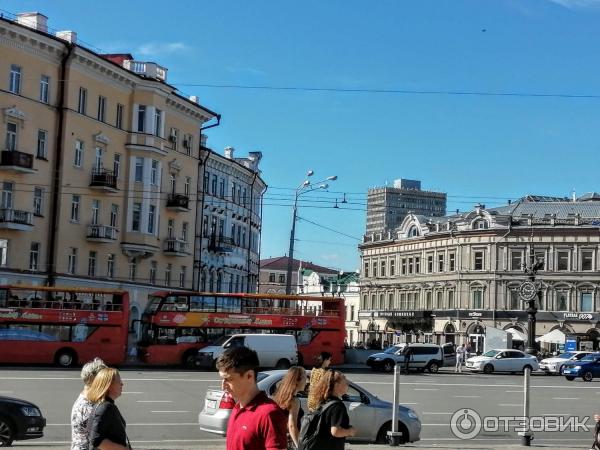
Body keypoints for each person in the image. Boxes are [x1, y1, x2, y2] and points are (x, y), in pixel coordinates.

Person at [217, 346, 287, 450]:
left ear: (249, 376)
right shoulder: (237, 408)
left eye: (228, 379)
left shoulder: (269, 414)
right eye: (222, 379)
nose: (223, 386)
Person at [306, 370, 356, 450]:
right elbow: (335, 431)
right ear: (336, 385)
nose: (348, 385)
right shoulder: (337, 406)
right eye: (345, 382)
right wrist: (350, 431)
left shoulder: (324, 401)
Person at [87, 368, 130, 450]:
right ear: (109, 385)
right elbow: (96, 441)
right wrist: (123, 449)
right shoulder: (105, 407)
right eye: (119, 381)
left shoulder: (104, 405)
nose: (122, 384)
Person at [70, 358, 107, 450]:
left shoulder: (84, 399)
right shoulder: (87, 406)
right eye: (105, 379)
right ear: (96, 380)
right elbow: (98, 441)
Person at [273, 366, 307, 449]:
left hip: (278, 439)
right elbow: (292, 426)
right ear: (297, 381)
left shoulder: (279, 397)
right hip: (289, 442)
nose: (306, 382)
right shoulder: (294, 401)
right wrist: (300, 447)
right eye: (305, 378)